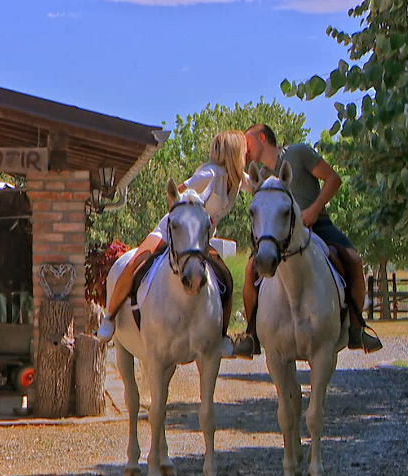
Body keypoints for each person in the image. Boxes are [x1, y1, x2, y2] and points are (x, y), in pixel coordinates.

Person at [231, 123, 382, 357]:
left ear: (262, 138)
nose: (246, 149)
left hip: (317, 224)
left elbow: (333, 179)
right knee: (252, 268)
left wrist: (313, 209)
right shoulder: (262, 176)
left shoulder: (299, 153)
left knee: (352, 260)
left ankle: (356, 328)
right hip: (281, 237)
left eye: (248, 143)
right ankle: (251, 334)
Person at [95, 130, 250, 353]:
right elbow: (176, 192)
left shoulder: (237, 180)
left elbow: (257, 184)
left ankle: (222, 336)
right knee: (137, 261)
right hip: (171, 232)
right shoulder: (209, 173)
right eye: (245, 151)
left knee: (225, 277)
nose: (247, 155)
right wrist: (181, 224)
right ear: (235, 152)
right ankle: (109, 317)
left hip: (200, 242)